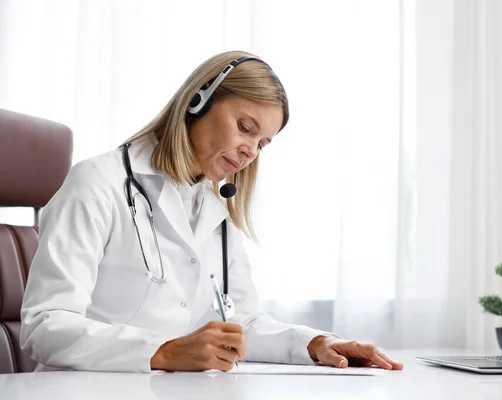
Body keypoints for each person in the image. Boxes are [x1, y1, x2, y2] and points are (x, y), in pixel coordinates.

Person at [20, 50, 403, 373]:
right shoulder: (97, 184)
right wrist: (162, 352)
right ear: (197, 102)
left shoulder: (212, 208)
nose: (250, 151)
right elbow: (45, 325)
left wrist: (318, 344)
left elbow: (243, 324)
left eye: (262, 143)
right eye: (244, 127)